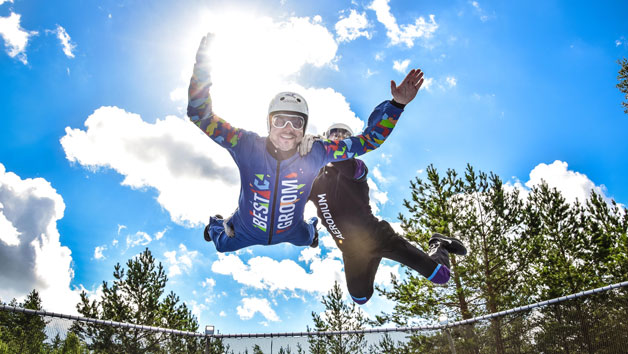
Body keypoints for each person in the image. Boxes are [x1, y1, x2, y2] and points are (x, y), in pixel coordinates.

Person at [187, 33, 424, 252]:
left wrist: (396, 105)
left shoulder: (317, 152)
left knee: (306, 238)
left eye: (296, 122)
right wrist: (202, 70)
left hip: (293, 231)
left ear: (304, 127)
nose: (288, 129)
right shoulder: (246, 145)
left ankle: (311, 230)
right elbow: (201, 116)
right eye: (280, 121)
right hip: (246, 229)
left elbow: (368, 141)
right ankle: (216, 224)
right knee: (221, 245)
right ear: (269, 124)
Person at [306, 123, 467, 305]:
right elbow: (291, 203)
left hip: (380, 238)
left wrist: (323, 146)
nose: (339, 137)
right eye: (335, 134)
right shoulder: (314, 181)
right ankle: (373, 258)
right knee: (360, 298)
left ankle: (438, 243)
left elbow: (347, 166)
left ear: (351, 145)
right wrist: (308, 230)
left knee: (441, 276)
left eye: (345, 136)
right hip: (352, 251)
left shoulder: (356, 169)